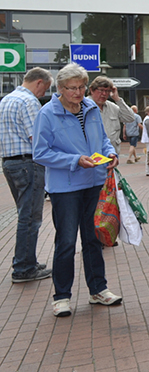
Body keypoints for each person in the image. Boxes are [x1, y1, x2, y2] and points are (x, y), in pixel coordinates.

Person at [32, 63, 123, 317]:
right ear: (60, 88)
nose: (78, 92)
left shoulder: (91, 107)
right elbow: (40, 153)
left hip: (94, 181)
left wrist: (111, 152)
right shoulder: (47, 113)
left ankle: (98, 290)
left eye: (82, 86)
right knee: (66, 242)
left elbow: (102, 138)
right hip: (66, 187)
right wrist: (74, 160)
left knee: (93, 239)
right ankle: (61, 296)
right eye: (72, 88)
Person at [0, 66, 53, 283]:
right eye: (45, 89)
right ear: (39, 82)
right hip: (27, 163)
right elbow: (37, 138)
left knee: (25, 214)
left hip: (10, 163)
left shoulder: (6, 100)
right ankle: (23, 268)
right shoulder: (29, 101)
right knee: (30, 217)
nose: (43, 94)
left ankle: (26, 260)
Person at [87, 76, 135, 155]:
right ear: (92, 90)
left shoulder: (112, 107)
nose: (104, 94)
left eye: (108, 91)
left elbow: (130, 118)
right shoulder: (83, 107)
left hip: (112, 155)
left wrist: (117, 99)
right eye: (101, 90)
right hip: (92, 156)